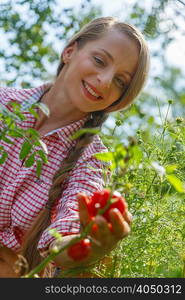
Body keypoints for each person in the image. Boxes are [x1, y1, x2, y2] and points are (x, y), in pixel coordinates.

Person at [0, 16, 150, 277]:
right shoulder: (4, 104)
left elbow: (68, 231)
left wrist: (89, 245)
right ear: (70, 51)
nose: (104, 80)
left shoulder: (92, 161)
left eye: (120, 81)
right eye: (100, 60)